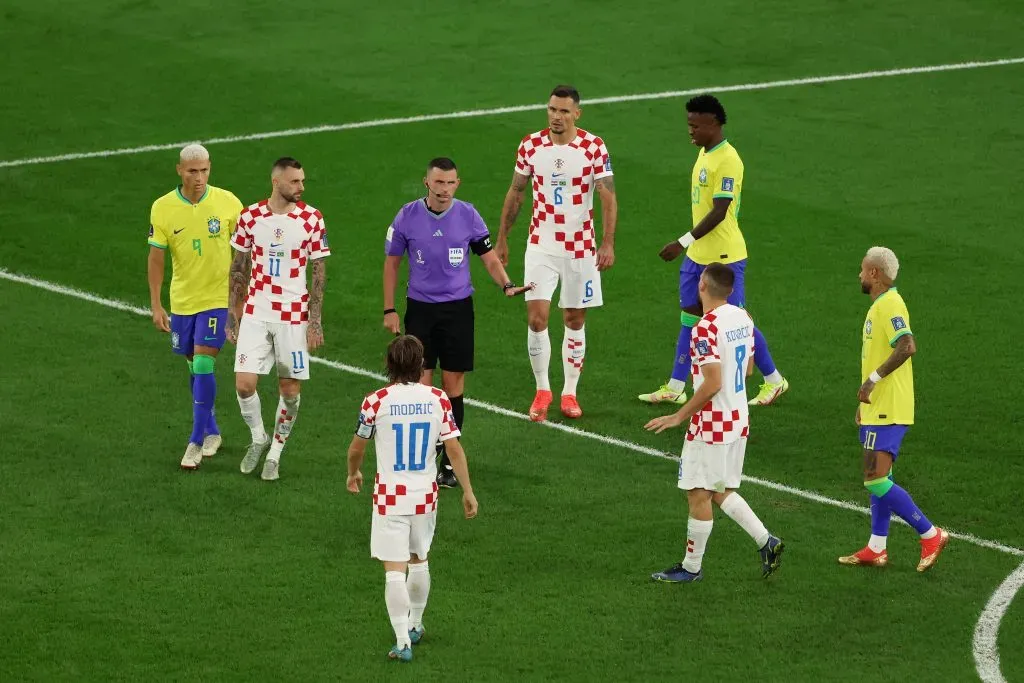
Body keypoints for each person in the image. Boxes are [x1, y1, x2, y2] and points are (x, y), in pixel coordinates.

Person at [383, 157, 530, 489]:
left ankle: (448, 463)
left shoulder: (468, 214)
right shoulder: (407, 216)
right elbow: (392, 264)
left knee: (453, 389)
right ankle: (422, 458)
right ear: (427, 183)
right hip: (420, 310)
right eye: (438, 183)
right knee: (421, 387)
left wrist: (506, 284)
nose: (444, 189)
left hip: (458, 311)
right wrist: (389, 310)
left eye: (450, 183)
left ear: (457, 184)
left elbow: (488, 257)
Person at [639, 94, 788, 408]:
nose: (690, 131)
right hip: (698, 256)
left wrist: (681, 242)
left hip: (724, 257)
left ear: (713, 124)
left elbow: (720, 210)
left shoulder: (728, 159)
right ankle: (676, 386)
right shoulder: (705, 153)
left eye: (695, 125)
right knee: (689, 317)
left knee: (739, 321)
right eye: (688, 124)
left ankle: (774, 381)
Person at [644, 263, 784, 583]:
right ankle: (767, 542)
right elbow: (749, 370)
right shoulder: (743, 318)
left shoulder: (705, 328)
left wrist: (680, 415)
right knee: (720, 489)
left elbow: (712, 383)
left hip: (712, 421)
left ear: (702, 287)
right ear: (731, 290)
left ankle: (691, 568)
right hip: (739, 418)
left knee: (697, 493)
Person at [347, 335, 479, 662]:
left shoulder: (375, 401)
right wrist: (467, 491)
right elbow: (454, 449)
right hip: (425, 495)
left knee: (394, 570)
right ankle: (417, 624)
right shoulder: (438, 399)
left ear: (389, 365)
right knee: (419, 559)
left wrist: (353, 473)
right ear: (421, 364)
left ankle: (403, 641)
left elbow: (357, 448)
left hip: (390, 496)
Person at [495, 84, 617, 422]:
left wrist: (607, 242)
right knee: (536, 319)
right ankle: (542, 390)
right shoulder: (531, 145)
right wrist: (503, 237)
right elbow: (517, 191)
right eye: (552, 109)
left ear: (577, 113)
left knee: (574, 319)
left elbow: (607, 195)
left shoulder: (593, 147)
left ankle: (569, 393)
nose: (556, 117)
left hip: (580, 247)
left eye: (564, 111)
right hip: (541, 245)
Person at [839, 247, 948, 571]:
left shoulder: (890, 304)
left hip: (888, 407)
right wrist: (865, 404)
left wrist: (872, 381)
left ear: (875, 274)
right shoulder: (881, 305)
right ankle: (877, 547)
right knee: (880, 476)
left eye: (862, 270)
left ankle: (930, 534)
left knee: (874, 479)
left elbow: (907, 345)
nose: (859, 275)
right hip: (878, 408)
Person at [226, 157, 330, 481]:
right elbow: (238, 266)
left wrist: (315, 320)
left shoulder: (312, 218)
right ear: (276, 182)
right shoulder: (250, 216)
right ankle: (258, 437)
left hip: (293, 315)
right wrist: (233, 313)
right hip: (257, 310)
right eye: (295, 181)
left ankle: (275, 453)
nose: (301, 187)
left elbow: (319, 270)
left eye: (302, 181)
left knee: (289, 390)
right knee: (244, 385)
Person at [147, 144, 243, 470]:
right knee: (192, 366)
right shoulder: (162, 208)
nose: (199, 177)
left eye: (204, 170)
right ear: (179, 170)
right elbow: (157, 258)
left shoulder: (229, 203)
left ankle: (196, 440)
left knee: (203, 364)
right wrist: (156, 304)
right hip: (183, 301)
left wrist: (240, 300)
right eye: (192, 171)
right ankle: (213, 430)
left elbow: (244, 254)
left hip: (218, 300)